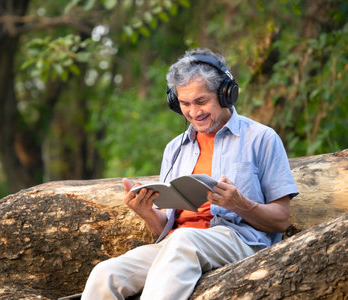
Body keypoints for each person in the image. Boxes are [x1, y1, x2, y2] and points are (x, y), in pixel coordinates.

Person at [81, 48, 299, 300]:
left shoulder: (261, 138)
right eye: (185, 103)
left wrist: (241, 205)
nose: (194, 112)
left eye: (201, 101)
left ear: (226, 94)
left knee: (183, 241)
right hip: (176, 246)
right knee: (106, 273)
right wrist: (146, 212)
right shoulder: (175, 149)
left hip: (238, 241)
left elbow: (281, 220)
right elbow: (166, 228)